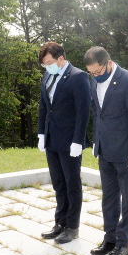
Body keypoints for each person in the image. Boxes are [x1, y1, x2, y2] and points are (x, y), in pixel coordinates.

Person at [84, 46, 128, 255]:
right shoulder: (94, 80)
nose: (95, 76)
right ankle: (109, 238)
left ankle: (124, 243)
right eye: (92, 73)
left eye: (98, 71)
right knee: (108, 197)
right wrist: (95, 141)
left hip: (126, 151)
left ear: (108, 62)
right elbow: (97, 113)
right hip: (104, 149)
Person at [37, 42, 91, 244]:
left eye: (49, 62)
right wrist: (41, 133)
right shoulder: (48, 76)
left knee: (72, 184)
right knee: (58, 183)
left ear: (61, 58)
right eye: (44, 64)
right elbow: (44, 107)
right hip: (51, 138)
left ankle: (72, 226)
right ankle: (59, 222)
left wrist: (78, 140)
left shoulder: (78, 77)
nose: (47, 66)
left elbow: (83, 111)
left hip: (70, 141)